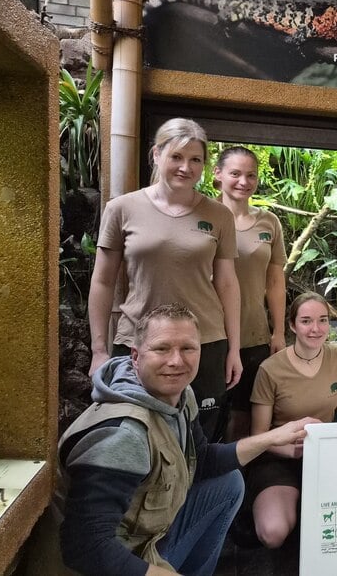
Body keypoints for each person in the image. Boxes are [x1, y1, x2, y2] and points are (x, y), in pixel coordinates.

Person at [57, 304, 312, 576]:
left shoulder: (181, 396)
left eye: (188, 348)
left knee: (229, 483)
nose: (176, 361)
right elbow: (85, 546)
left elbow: (201, 461)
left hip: (151, 537)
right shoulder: (124, 435)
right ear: (135, 356)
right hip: (116, 561)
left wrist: (272, 437)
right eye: (162, 348)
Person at [88, 118, 242, 441]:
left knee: (201, 441)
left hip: (204, 344)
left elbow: (227, 284)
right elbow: (102, 282)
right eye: (176, 157)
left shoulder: (219, 216)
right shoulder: (121, 209)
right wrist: (99, 349)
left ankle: (200, 495)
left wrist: (234, 348)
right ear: (157, 155)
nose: (185, 167)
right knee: (132, 437)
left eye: (195, 159)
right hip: (137, 342)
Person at [248, 292, 337, 548]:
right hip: (279, 457)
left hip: (325, 456)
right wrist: (291, 451)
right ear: (292, 325)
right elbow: (258, 437)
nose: (316, 329)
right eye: (306, 321)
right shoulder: (270, 369)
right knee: (273, 532)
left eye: (323, 320)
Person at [214, 145, 287, 441]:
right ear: (217, 174)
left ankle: (242, 484)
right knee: (209, 416)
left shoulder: (269, 222)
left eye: (251, 175)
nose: (244, 182)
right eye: (235, 174)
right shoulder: (203, 217)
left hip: (254, 335)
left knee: (246, 418)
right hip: (210, 336)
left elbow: (275, 282)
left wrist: (278, 332)